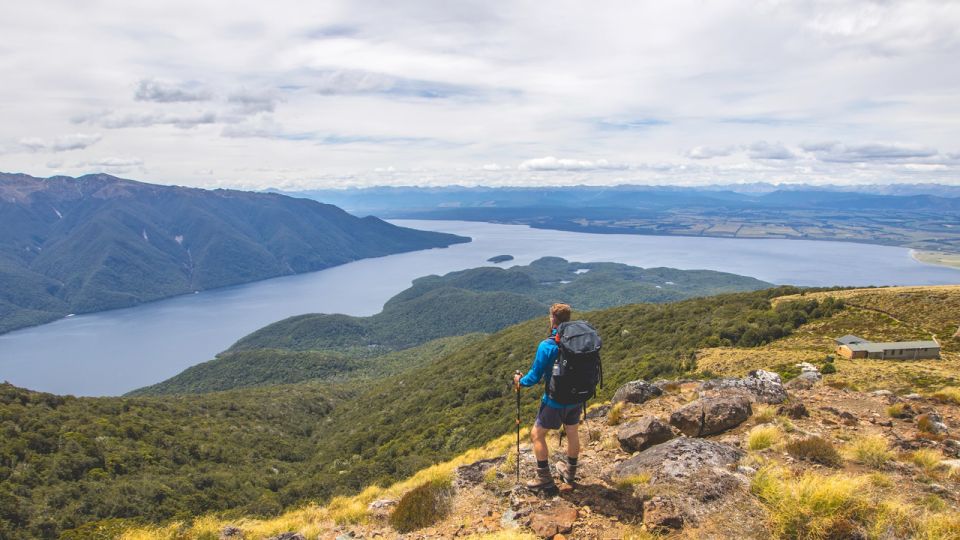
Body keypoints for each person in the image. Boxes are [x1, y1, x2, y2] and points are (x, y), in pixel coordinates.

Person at [513, 303, 581, 489]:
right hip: (577, 398)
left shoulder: (547, 345)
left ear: (553, 319)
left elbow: (534, 377)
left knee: (536, 435)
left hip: (555, 400)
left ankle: (544, 479)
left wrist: (519, 381)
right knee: (572, 432)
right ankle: (570, 473)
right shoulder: (577, 341)